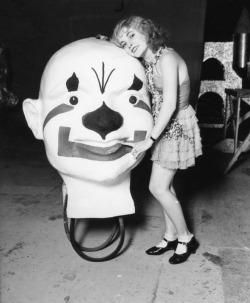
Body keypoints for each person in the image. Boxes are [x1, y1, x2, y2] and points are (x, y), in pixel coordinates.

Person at [112, 16, 202, 264]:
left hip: (176, 128)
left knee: (157, 187)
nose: (127, 43)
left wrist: (150, 139)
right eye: (122, 42)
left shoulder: (168, 58)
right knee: (166, 187)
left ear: (147, 32)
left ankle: (186, 237)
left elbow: (171, 103)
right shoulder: (150, 61)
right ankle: (170, 235)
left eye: (131, 35)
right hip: (164, 128)